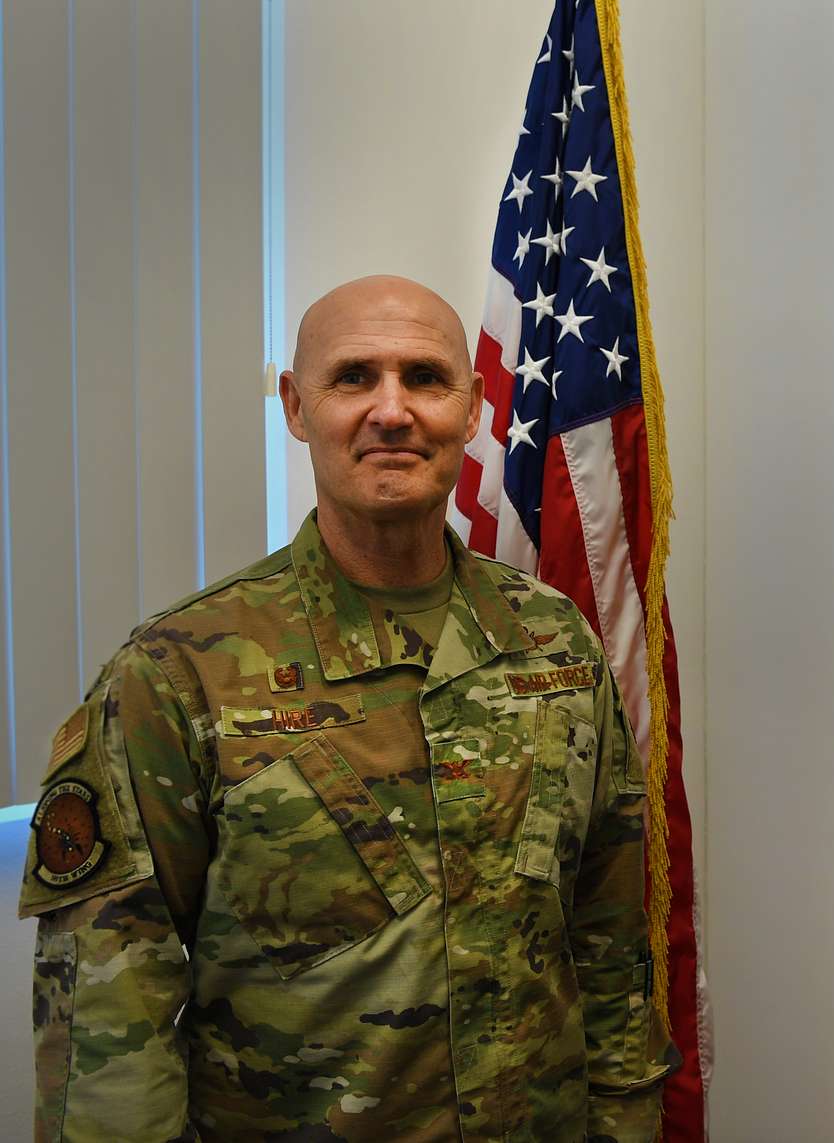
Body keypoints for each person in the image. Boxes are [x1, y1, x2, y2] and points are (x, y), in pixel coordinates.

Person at [19, 275, 675, 1141]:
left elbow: (605, 931)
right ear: (296, 406)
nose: (392, 410)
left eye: (426, 378)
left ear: (474, 409)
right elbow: (109, 1010)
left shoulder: (554, 642)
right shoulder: (179, 674)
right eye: (355, 377)